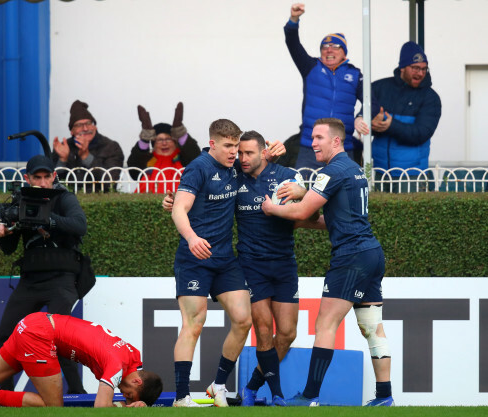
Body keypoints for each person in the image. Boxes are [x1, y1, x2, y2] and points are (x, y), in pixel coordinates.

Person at [164, 132, 322, 407]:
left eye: (247, 152)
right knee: (254, 328)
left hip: (281, 263)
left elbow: (308, 212)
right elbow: (192, 195)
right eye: (238, 152)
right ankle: (275, 395)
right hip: (249, 264)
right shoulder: (232, 174)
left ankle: (241, 386)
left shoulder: (283, 174)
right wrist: (173, 201)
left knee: (284, 333)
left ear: (264, 152)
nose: (241, 157)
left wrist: (302, 190)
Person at [261, 118, 394, 407]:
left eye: (319, 137)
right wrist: (301, 213)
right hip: (371, 254)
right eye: (312, 137)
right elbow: (330, 220)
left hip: (351, 257)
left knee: (325, 324)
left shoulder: (331, 171)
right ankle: (385, 397)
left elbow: (302, 211)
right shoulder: (353, 169)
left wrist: (273, 209)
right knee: (372, 327)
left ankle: (309, 396)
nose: (313, 142)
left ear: (336, 141)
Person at [0, 313, 163, 408]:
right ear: (136, 381)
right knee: (52, 406)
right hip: (40, 336)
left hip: (33, 323)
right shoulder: (118, 367)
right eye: (128, 394)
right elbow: (101, 407)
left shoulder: (132, 356)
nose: (123, 395)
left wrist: (137, 399)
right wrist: (126, 409)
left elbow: (139, 374)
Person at [169, 119, 252, 407]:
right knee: (194, 323)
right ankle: (181, 397)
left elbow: (261, 156)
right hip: (194, 259)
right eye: (228, 146)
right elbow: (179, 208)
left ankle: (218, 385)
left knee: (243, 320)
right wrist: (192, 238)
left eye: (236, 146)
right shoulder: (198, 167)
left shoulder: (235, 168)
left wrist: (274, 150)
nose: (234, 152)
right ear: (213, 144)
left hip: (224, 260)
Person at [0, 154, 87, 395]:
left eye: (47, 177)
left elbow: (80, 226)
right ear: (28, 179)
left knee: (59, 337)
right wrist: (5, 232)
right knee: (5, 333)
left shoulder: (64, 197)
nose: (43, 182)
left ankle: (77, 392)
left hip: (62, 279)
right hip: (31, 280)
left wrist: (47, 219)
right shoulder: (19, 201)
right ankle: (5, 395)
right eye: (37, 177)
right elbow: (8, 249)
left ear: (54, 177)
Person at [284, 3, 374, 174]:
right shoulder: (310, 67)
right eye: (325, 47)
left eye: (335, 46)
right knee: (301, 192)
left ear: (344, 52)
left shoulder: (355, 74)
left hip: (342, 148)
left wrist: (360, 117)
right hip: (310, 147)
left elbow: (372, 102)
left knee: (343, 195)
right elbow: (292, 43)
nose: (329, 50)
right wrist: (294, 20)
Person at [356, 41, 441, 192]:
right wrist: (360, 119)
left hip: (413, 176)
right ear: (402, 67)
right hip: (380, 173)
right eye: (415, 68)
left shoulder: (431, 98)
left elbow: (421, 133)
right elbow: (366, 117)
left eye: (424, 69)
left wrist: (390, 125)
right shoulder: (379, 87)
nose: (420, 73)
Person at [127, 102, 201, 193]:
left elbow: (195, 157)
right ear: (153, 144)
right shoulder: (148, 160)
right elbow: (134, 170)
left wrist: (180, 132)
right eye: (160, 140)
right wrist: (145, 138)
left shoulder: (183, 158)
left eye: (168, 139)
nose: (164, 143)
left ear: (175, 142)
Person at [52, 100, 124, 192]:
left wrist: (86, 156)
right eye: (79, 125)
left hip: (100, 202)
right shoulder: (62, 148)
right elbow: (51, 183)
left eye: (89, 123)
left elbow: (110, 183)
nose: (85, 129)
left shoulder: (111, 147)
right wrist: (62, 160)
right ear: (72, 131)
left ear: (95, 127)